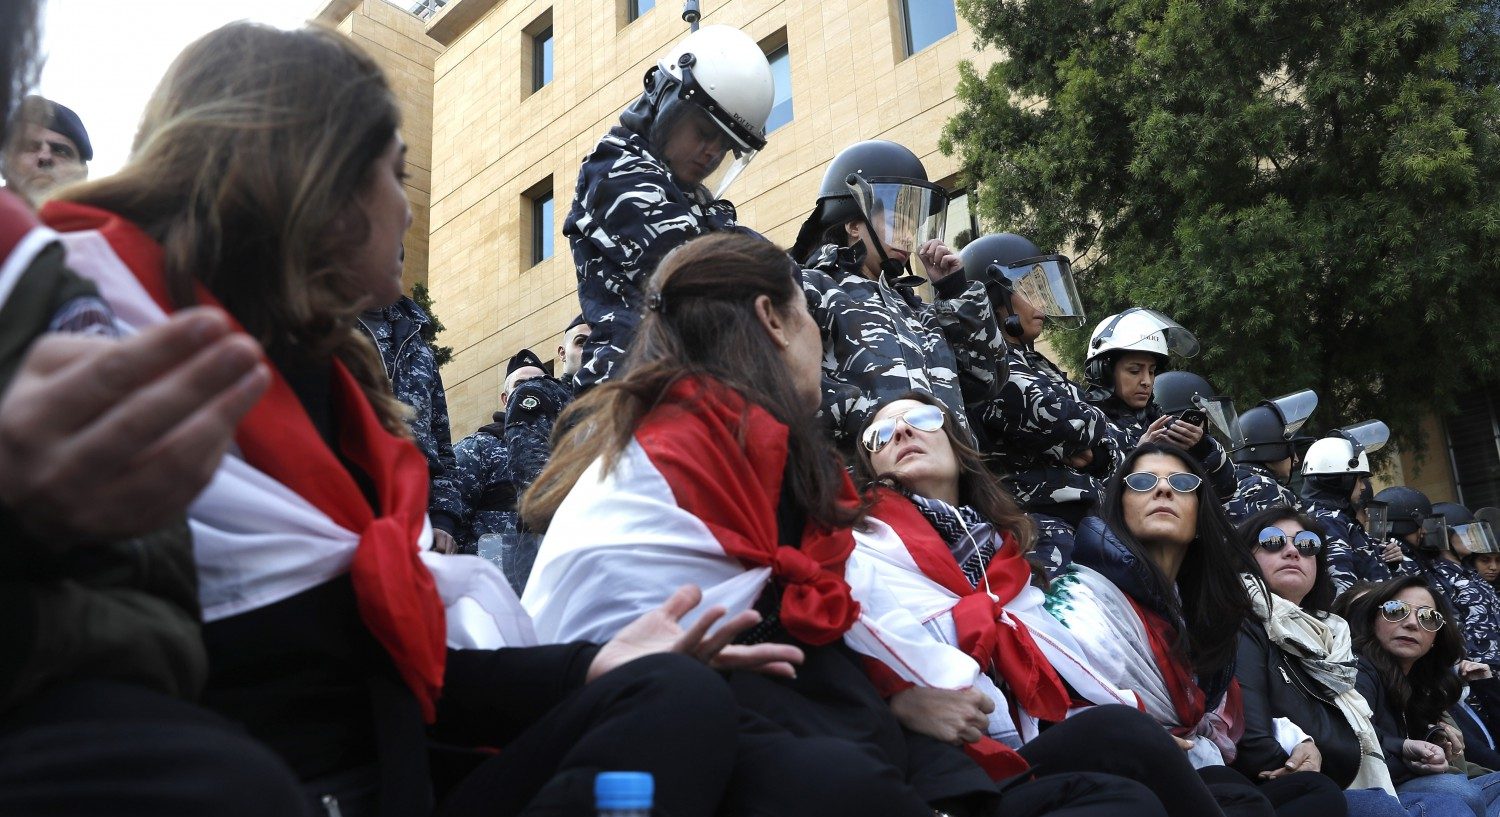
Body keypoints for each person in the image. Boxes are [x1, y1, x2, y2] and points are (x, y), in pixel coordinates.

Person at [44, 23, 801, 817]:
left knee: (676, 697)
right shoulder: (81, 331)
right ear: (318, 177)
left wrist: (592, 665)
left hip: (390, 775)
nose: (409, 210)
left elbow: (404, 680)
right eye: (396, 174)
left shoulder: (341, 389)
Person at [523, 232, 1169, 817]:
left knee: (1119, 763)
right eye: (810, 318)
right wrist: (908, 698)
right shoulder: (704, 449)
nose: (821, 349)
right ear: (772, 320)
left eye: (925, 421)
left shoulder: (730, 437)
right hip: (651, 750)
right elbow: (838, 611)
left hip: (778, 716)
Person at [0, 4, 309, 814]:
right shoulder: (88, 268)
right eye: (29, 146)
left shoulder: (61, 281)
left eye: (61, 149)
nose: (43, 159)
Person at [848, 392, 1288, 817]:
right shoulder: (856, 548)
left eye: (923, 420)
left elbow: (1066, 680)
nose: (903, 430)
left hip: (1030, 748)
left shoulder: (1007, 561)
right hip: (951, 771)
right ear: (870, 465)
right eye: (881, 434)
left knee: (1248, 797)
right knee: (1130, 762)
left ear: (959, 448)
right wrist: (896, 701)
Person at [1046, 443, 1348, 815]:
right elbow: (1057, 711)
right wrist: (1140, 741)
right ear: (1119, 508)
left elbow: (1213, 710)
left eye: (1183, 483)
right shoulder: (1078, 598)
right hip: (1114, 778)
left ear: (1199, 514)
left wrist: (1296, 738)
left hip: (1197, 768)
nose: (1163, 489)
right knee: (1238, 797)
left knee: (1315, 792)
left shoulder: (1204, 611)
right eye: (1142, 482)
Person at [566, 24, 773, 391]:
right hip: (631, 392)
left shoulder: (698, 204)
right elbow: (700, 271)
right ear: (665, 98)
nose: (712, 152)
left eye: (725, 145)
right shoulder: (614, 169)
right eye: (704, 131)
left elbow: (774, 269)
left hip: (694, 388)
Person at [1231, 507, 1470, 817]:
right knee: (1441, 798)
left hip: (1341, 776)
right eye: (1272, 541)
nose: (1292, 550)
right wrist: (1297, 758)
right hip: (1300, 785)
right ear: (1246, 554)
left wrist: (1403, 746)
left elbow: (1346, 725)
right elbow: (1254, 738)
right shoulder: (1240, 619)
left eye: (1306, 545)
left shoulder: (1328, 636)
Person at [791, 139, 1005, 445]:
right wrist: (882, 425)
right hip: (869, 480)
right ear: (854, 224)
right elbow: (788, 381)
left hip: (951, 484)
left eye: (912, 226)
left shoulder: (918, 310)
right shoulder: (812, 287)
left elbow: (986, 381)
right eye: (896, 222)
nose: (907, 237)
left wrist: (956, 293)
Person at [960, 232, 1125, 577]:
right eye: (1029, 290)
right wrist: (1091, 435)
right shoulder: (985, 367)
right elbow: (1063, 421)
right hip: (1038, 526)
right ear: (994, 299)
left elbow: (1115, 444)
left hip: (1092, 515)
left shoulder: (1038, 364)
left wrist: (1097, 446)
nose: (1042, 302)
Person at [1348, 577, 1500, 817]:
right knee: (1458, 791)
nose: (1411, 623)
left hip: (1407, 784)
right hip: (1367, 790)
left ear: (1435, 640)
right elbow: (1356, 742)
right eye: (1396, 611)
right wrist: (1414, 760)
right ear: (1373, 621)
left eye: (1428, 618)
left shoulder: (1423, 684)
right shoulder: (1358, 668)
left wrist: (1436, 744)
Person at [358, 292, 464, 554]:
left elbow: (441, 446)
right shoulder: (325, 331)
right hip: (351, 508)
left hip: (419, 520)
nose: (397, 260)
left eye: (400, 253)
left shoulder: (419, 348)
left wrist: (443, 519)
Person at [1302, 423, 1408, 595]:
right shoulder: (1327, 519)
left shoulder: (1339, 519)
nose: (1363, 487)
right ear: (1342, 480)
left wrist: (1389, 559)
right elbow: (1344, 590)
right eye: (1358, 479)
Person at [1225, 391, 1319, 523]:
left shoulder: (1229, 483)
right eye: (1291, 449)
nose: (1296, 459)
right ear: (1274, 448)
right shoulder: (1265, 487)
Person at [1145, 370, 1241, 499]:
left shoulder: (1210, 453)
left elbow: (1227, 490)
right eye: (1202, 419)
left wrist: (1202, 451)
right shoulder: (1147, 455)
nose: (1209, 428)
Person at [1, 94, 90, 207]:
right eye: (30, 148)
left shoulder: (108, 223)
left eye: (61, 152)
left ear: (83, 172)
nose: (45, 157)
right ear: (5, 165)